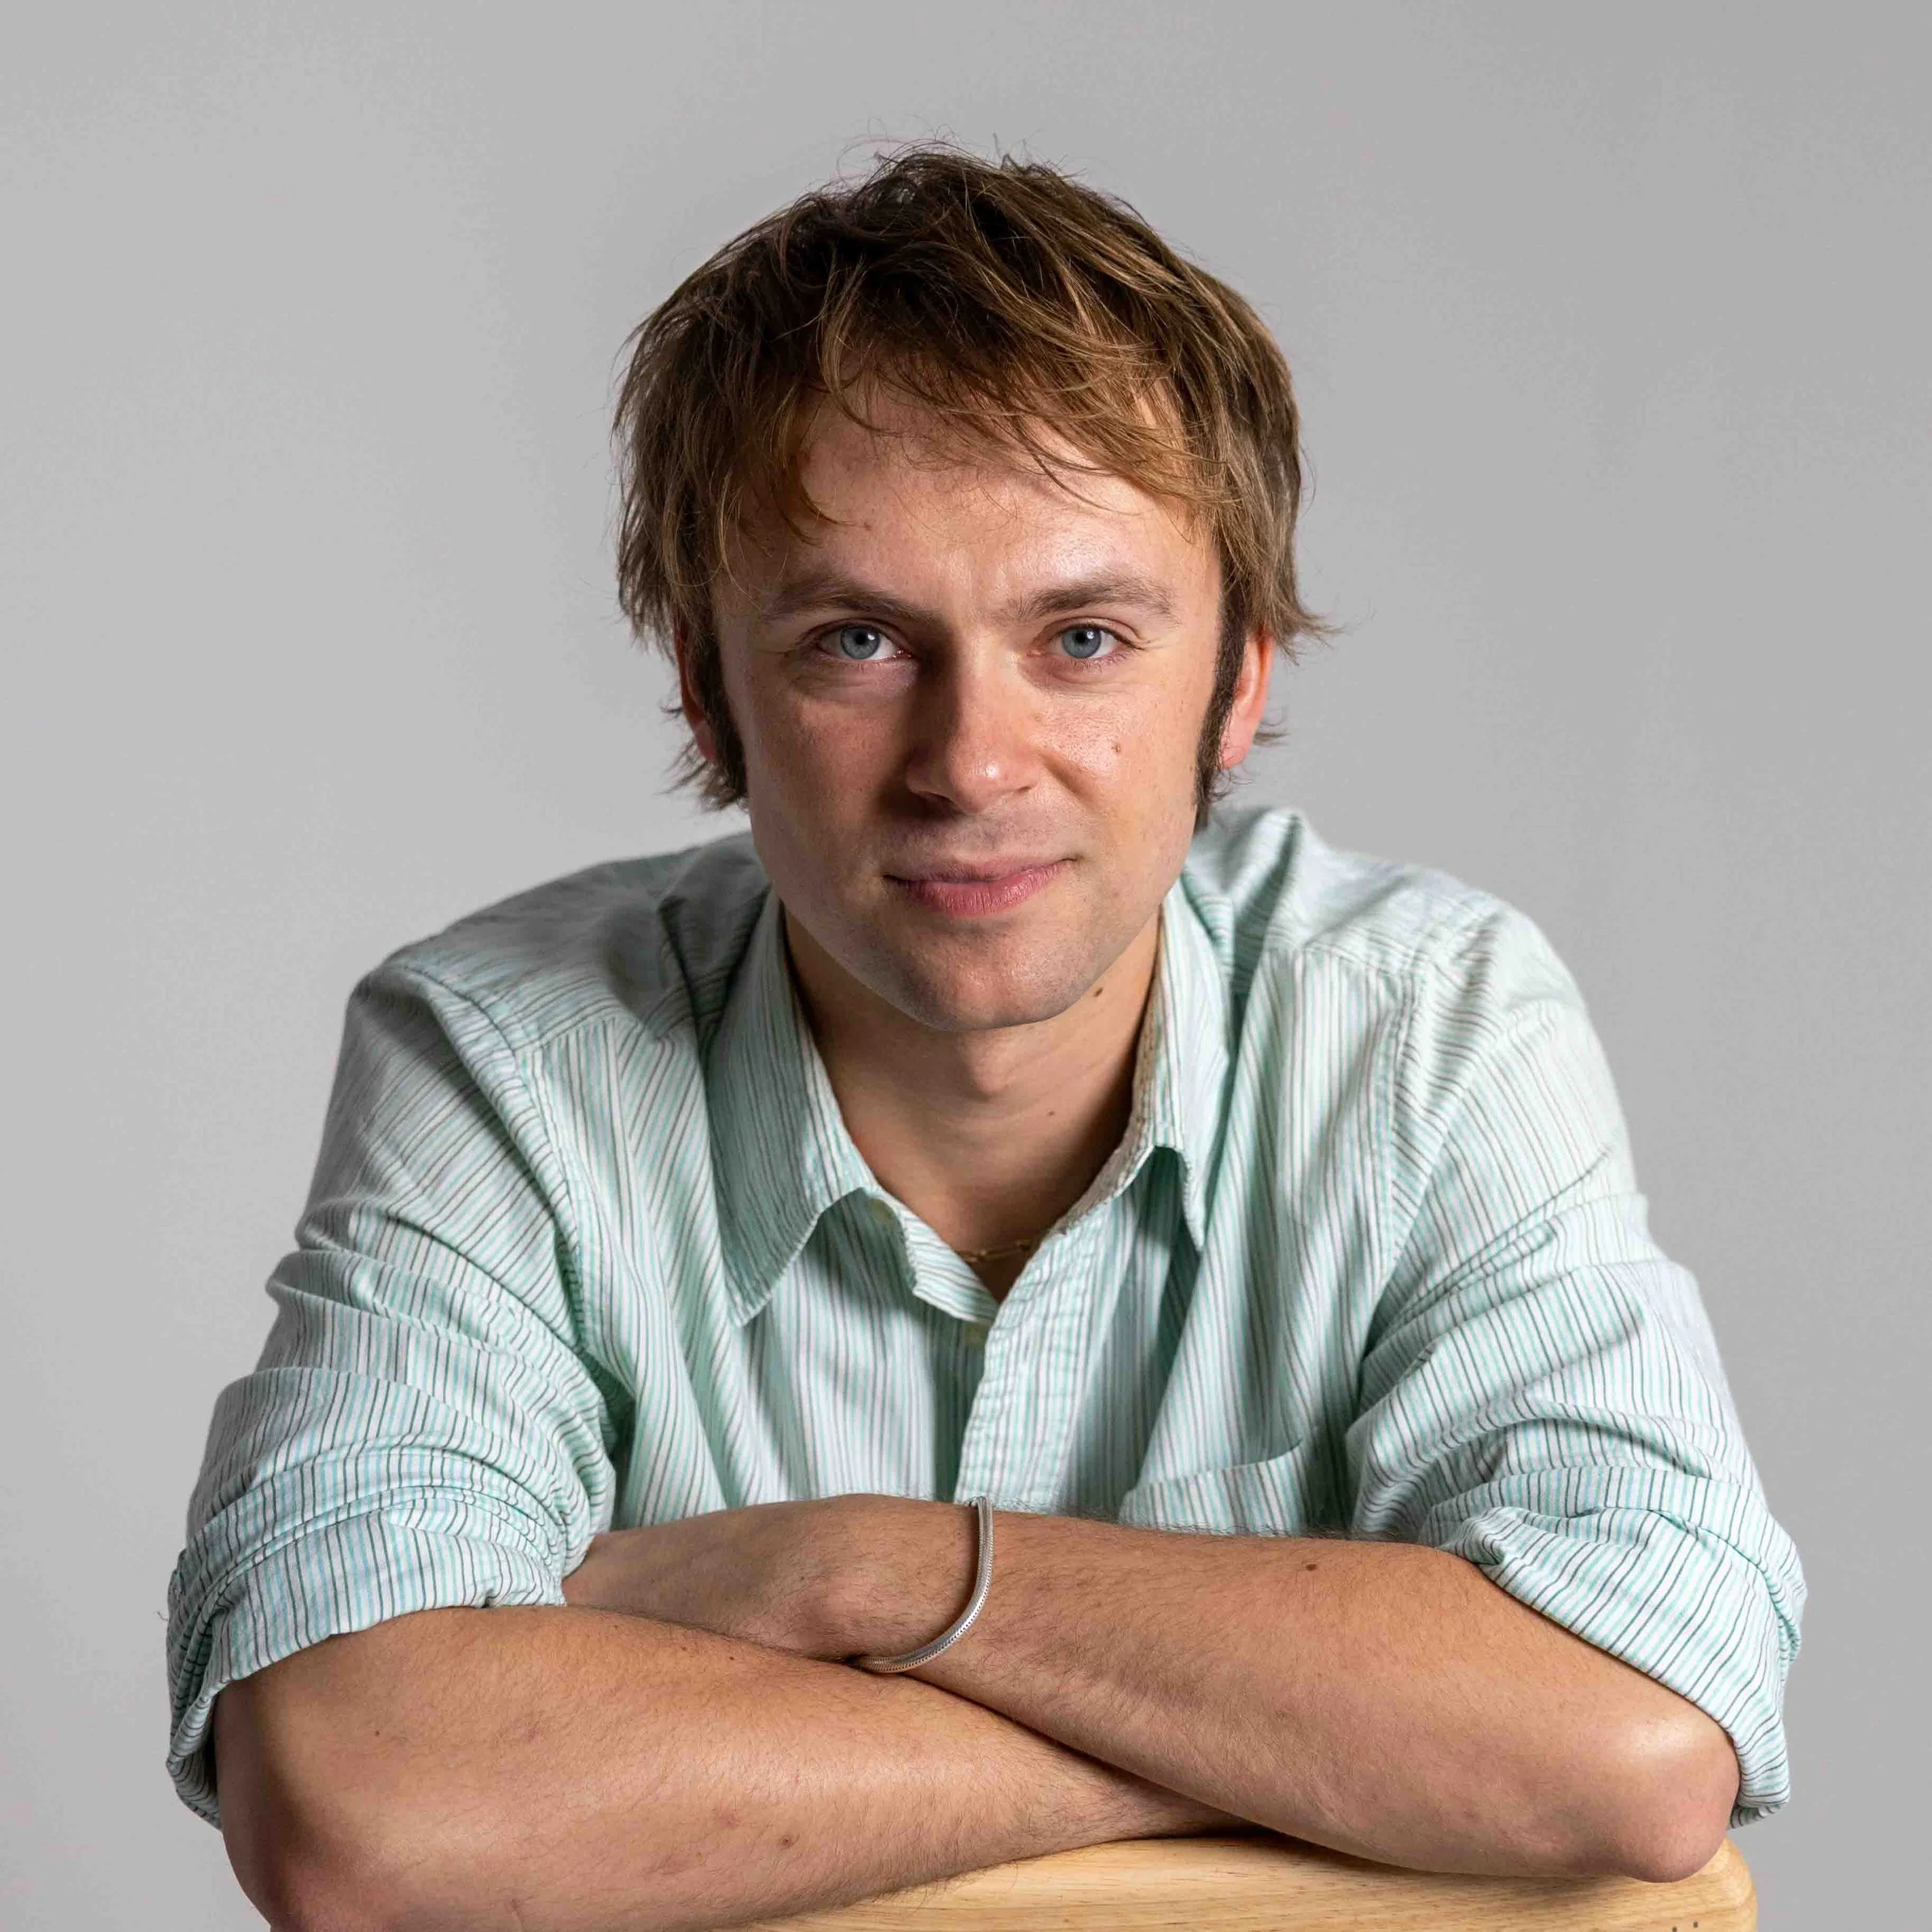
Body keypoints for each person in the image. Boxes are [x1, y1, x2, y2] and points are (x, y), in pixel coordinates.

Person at [170, 146, 1804, 1931]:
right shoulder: (502, 1054)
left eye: (1083, 636)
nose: (972, 761)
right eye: (858, 640)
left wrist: (866, 1573)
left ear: (1238, 681)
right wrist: (1319, 1740)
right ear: (709, 691)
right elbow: (372, 1804)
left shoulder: (1422, 1023)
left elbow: (1635, 1736)